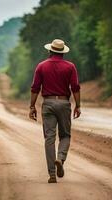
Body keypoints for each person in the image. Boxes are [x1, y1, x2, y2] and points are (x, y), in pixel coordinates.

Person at [29, 39, 81, 183]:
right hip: (64, 103)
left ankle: (52, 174)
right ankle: (60, 159)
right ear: (63, 52)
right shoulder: (70, 67)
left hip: (48, 103)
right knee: (65, 136)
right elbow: (75, 87)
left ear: (50, 51)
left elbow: (35, 88)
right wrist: (78, 105)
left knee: (49, 138)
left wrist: (32, 107)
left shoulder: (41, 66)